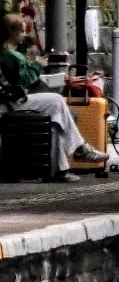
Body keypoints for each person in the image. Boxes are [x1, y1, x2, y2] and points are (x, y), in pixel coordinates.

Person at [0, 14, 108, 180]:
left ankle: (60, 170)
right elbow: (25, 79)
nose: (24, 35)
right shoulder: (9, 56)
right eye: (21, 32)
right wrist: (38, 65)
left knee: (55, 118)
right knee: (56, 101)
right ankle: (79, 149)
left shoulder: (9, 53)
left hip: (10, 100)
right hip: (11, 102)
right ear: (11, 32)